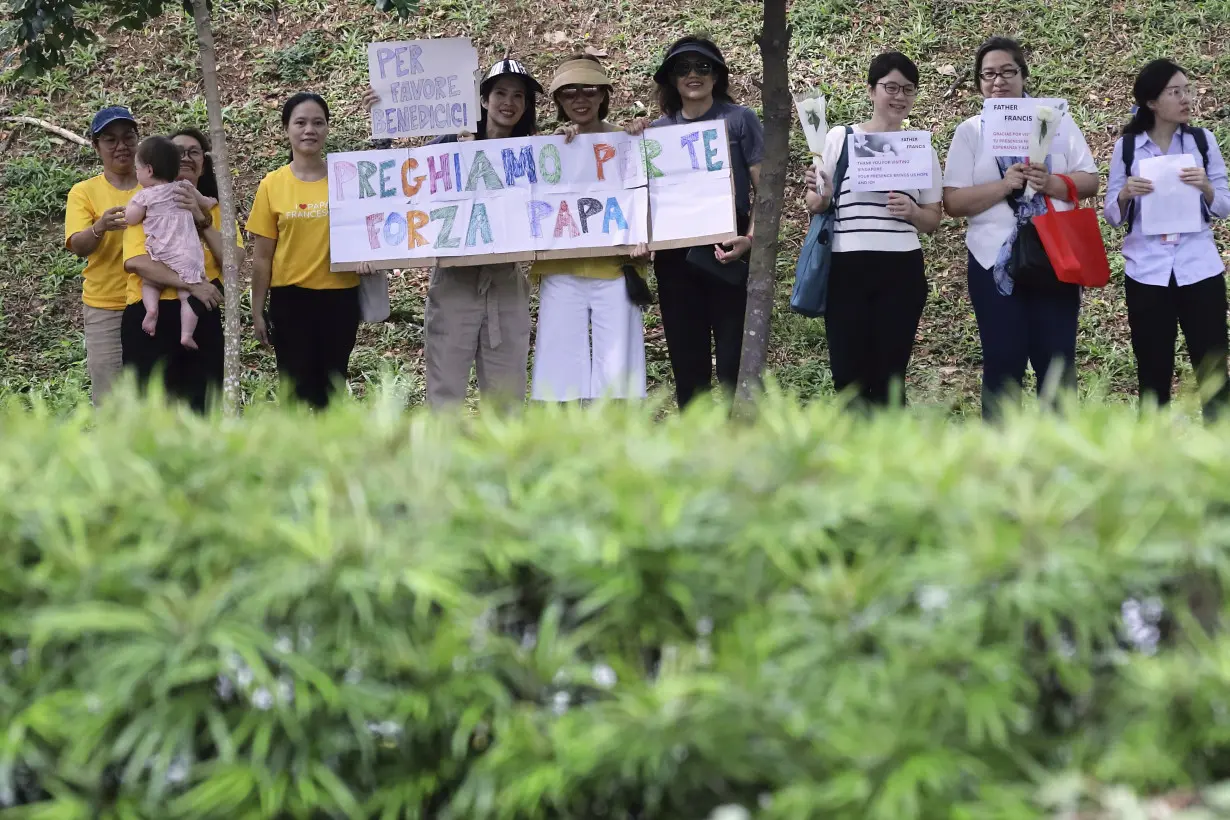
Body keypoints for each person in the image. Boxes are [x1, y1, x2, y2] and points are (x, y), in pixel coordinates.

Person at [365, 59, 541, 409]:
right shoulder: (451, 143)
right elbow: (400, 179)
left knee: (507, 395)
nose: (509, 102)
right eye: (500, 93)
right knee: (445, 391)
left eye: (519, 96)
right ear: (484, 100)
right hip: (454, 281)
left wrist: (574, 143)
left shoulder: (534, 153)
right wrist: (382, 132)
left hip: (505, 282)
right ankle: (442, 461)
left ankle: (506, 461)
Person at [942, 37, 1099, 419]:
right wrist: (1004, 185)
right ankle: (1001, 460)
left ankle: (1060, 460)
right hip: (991, 259)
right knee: (1003, 360)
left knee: (1057, 362)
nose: (998, 81)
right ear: (979, 83)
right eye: (988, 74)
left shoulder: (1055, 120)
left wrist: (1053, 182)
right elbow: (953, 203)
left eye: (1007, 71)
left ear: (1023, 75)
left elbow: (1090, 180)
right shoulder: (970, 132)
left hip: (1055, 255)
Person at [803, 52, 942, 408]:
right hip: (847, 266)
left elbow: (933, 220)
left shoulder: (919, 148)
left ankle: (889, 456)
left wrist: (912, 211)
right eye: (890, 87)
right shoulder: (841, 137)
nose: (899, 97)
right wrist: (824, 193)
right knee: (847, 376)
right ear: (871, 90)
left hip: (901, 268)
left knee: (889, 377)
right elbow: (815, 203)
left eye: (908, 90)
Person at [633, 35, 763, 409]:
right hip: (675, 257)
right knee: (687, 365)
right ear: (671, 78)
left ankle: (740, 449)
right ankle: (696, 453)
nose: (693, 74)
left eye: (703, 66)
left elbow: (766, 192)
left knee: (733, 364)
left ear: (717, 75)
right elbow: (637, 196)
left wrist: (749, 239)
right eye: (683, 68)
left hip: (728, 247)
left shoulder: (740, 120)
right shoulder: (655, 133)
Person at [1105, 59, 1230, 420]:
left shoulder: (1202, 142)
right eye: (1175, 92)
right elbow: (1112, 215)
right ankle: (1154, 457)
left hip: (1199, 268)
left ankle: (1218, 456)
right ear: (1152, 102)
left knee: (1213, 370)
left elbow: (1224, 204)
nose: (1186, 98)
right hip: (1147, 272)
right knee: (1152, 370)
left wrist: (1206, 187)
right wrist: (1126, 194)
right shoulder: (1127, 148)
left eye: (1187, 90)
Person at [530, 55, 652, 402]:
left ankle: (617, 441)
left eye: (589, 90)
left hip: (615, 268)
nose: (580, 100)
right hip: (561, 267)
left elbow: (650, 197)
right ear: (559, 102)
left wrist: (646, 240)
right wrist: (553, 146)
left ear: (603, 96)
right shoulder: (548, 146)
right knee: (558, 368)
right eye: (570, 93)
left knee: (618, 371)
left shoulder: (629, 140)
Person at [248, 92, 371, 410]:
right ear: (286, 129)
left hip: (340, 299)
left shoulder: (348, 179)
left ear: (328, 128)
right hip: (291, 302)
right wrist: (257, 309)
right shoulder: (272, 185)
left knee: (331, 388)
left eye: (318, 122)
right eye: (300, 122)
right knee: (295, 388)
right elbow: (262, 257)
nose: (309, 130)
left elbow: (370, 230)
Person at [122, 128, 233, 413]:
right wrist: (191, 284)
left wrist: (202, 218)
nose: (185, 158)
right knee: (151, 410)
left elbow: (232, 261)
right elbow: (136, 261)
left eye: (193, 152)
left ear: (203, 162)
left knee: (204, 407)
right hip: (153, 321)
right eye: (178, 151)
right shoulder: (147, 200)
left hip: (202, 312)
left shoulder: (216, 210)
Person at [64, 106, 140, 404]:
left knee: (155, 392)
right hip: (106, 306)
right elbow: (78, 246)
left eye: (128, 137)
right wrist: (99, 227)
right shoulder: (84, 192)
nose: (121, 146)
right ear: (96, 146)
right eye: (110, 139)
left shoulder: (155, 185)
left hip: (157, 302)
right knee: (109, 397)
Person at [126, 136, 213, 350]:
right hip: (186, 253)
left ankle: (151, 311)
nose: (136, 174)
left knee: (150, 283)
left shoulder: (144, 196)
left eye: (137, 169)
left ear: (148, 170)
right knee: (187, 296)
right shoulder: (184, 187)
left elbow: (131, 218)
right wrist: (210, 202)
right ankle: (187, 334)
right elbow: (204, 202)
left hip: (160, 252)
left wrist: (131, 206)